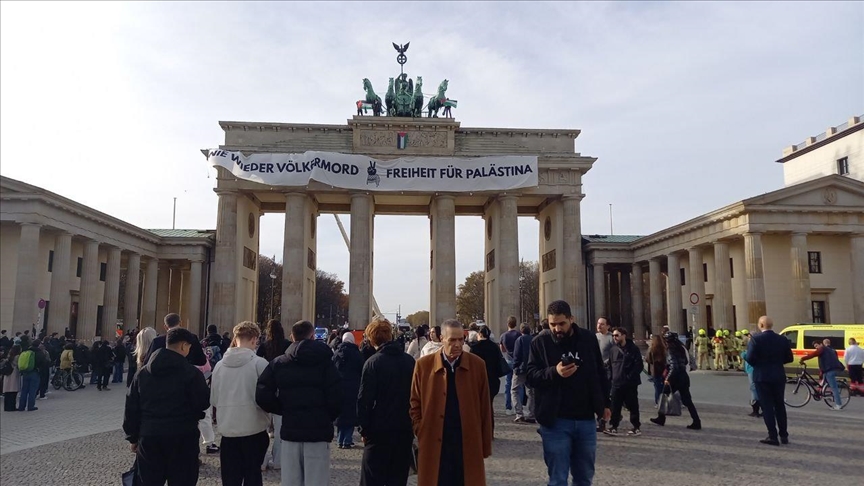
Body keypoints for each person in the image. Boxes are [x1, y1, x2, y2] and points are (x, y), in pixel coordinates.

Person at [527, 300, 610, 486]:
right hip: (555, 420)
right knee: (558, 478)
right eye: (552, 324)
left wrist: (605, 403)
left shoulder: (588, 339)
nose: (557, 328)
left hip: (586, 419)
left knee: (584, 477)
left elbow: (599, 372)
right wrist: (554, 372)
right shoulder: (539, 342)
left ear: (571, 319)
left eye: (561, 323)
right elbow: (531, 377)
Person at [255, 320, 342, 486]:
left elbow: (262, 392)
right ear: (313, 336)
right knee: (317, 481)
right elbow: (337, 396)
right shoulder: (326, 363)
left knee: (291, 481)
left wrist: (281, 408)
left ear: (292, 336)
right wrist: (326, 416)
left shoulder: (279, 363)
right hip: (318, 431)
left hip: (291, 429)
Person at [124, 327, 211, 485]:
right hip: (183, 436)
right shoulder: (191, 373)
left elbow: (131, 408)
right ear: (184, 346)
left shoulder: (142, 374)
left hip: (150, 436)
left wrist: (133, 437)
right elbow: (203, 402)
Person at [410, 319, 492, 486]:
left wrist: (484, 443)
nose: (457, 344)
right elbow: (414, 402)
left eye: (461, 339)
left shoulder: (477, 365)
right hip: (434, 440)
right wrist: (421, 428)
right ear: (442, 339)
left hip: (466, 440)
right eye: (452, 340)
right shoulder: (423, 365)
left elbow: (485, 406)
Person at [144, 314, 215, 453]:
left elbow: (147, 364)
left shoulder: (158, 340)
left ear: (165, 326)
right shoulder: (191, 338)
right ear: (181, 323)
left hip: (159, 391)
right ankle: (202, 446)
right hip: (186, 384)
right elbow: (201, 361)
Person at [211, 321, 270, 486]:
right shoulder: (260, 364)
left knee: (230, 479)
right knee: (253, 476)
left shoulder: (219, 367)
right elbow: (267, 398)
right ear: (254, 339)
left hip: (228, 431)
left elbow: (214, 399)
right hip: (254, 428)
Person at [357, 319, 416, 486]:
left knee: (371, 479)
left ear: (371, 338)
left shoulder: (372, 363)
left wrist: (364, 429)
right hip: (404, 429)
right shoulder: (409, 361)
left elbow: (364, 400)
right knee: (397, 479)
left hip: (378, 430)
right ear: (391, 335)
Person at [743, 316, 793, 445]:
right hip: (778, 375)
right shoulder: (782, 339)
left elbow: (749, 357)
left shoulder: (756, 339)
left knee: (767, 407)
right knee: (780, 405)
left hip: (762, 376)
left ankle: (772, 436)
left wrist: (759, 365)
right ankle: (784, 435)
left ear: (761, 325)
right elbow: (789, 358)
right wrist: (777, 363)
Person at [256, 319, 291, 470]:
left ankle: (262, 461)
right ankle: (278, 461)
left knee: (263, 426)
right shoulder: (287, 345)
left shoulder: (264, 346)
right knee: (280, 428)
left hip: (267, 387)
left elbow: (257, 362)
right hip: (282, 388)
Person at [649, 332, 701, 430]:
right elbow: (685, 362)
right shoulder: (681, 348)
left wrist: (667, 379)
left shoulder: (670, 350)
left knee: (663, 396)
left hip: (674, 378)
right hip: (683, 377)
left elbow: (674, 366)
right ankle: (696, 420)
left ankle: (661, 418)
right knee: (688, 401)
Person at [605, 327, 642, 436]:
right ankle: (613, 426)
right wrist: (610, 378)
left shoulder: (633, 349)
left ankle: (636, 426)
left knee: (633, 405)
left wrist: (629, 377)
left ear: (624, 335)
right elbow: (610, 366)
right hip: (616, 383)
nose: (614, 337)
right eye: (613, 336)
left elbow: (638, 365)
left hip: (630, 383)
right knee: (615, 406)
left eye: (617, 335)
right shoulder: (613, 350)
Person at [469, 326, 505, 430]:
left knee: (479, 406)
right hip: (492, 380)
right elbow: (499, 364)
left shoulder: (474, 347)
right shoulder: (494, 347)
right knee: (489, 405)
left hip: (478, 381)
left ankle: (480, 429)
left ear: (480, 334)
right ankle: (489, 429)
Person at [333, 332, 363, 449]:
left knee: (341, 415)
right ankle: (347, 440)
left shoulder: (336, 353)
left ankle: (340, 439)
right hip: (353, 386)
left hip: (339, 386)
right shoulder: (357, 354)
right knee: (350, 414)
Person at [800, 338, 845, 410]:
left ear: (821, 344)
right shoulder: (829, 350)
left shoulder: (822, 349)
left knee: (834, 388)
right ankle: (821, 393)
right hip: (831, 369)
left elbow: (814, 354)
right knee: (823, 380)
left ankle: (838, 405)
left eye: (817, 345)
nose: (816, 348)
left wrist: (803, 358)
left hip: (831, 370)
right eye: (815, 347)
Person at [511, 324, 535, 424]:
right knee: (531, 392)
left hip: (520, 369)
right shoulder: (534, 339)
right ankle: (531, 414)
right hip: (531, 369)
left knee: (514, 390)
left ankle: (519, 413)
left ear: (521, 331)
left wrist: (515, 367)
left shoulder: (519, 340)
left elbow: (516, 355)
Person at [18, 339, 49, 411]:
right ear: (39, 345)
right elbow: (44, 363)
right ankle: (30, 406)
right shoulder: (39, 353)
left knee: (24, 390)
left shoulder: (27, 351)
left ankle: (21, 406)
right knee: (32, 390)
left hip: (26, 372)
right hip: (35, 372)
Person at [499, 316, 520, 416]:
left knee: (508, 385)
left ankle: (508, 407)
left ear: (507, 324)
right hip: (517, 361)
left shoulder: (503, 336)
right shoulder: (519, 335)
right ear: (516, 324)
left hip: (508, 360)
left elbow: (502, 349)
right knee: (518, 386)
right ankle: (518, 408)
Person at [646, 335, 667, 406]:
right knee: (663, 387)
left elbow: (648, 359)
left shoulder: (652, 349)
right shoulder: (663, 349)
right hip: (663, 370)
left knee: (657, 387)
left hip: (655, 371)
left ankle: (658, 402)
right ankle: (664, 401)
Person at [3, 344, 22, 411]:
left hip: (7, 374)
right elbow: (19, 365)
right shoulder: (17, 357)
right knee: (13, 391)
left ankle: (6, 407)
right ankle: (12, 407)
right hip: (13, 374)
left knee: (7, 392)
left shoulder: (9, 355)